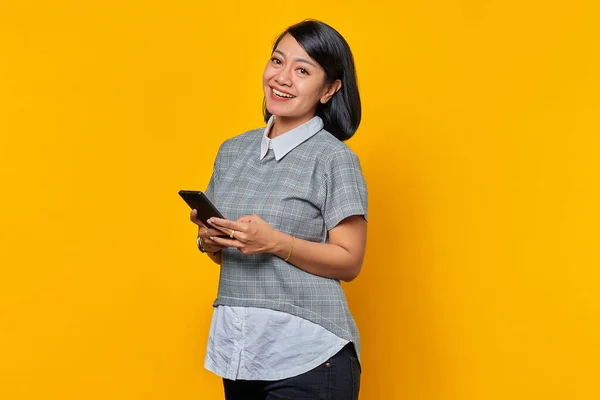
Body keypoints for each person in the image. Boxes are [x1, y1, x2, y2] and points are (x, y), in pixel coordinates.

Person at [189, 19, 368, 400]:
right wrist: (212, 240)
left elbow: (350, 261)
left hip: (309, 354)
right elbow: (228, 253)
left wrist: (275, 242)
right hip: (241, 351)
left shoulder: (334, 159)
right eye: (277, 61)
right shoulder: (233, 151)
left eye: (302, 70)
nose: (282, 78)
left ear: (330, 89)